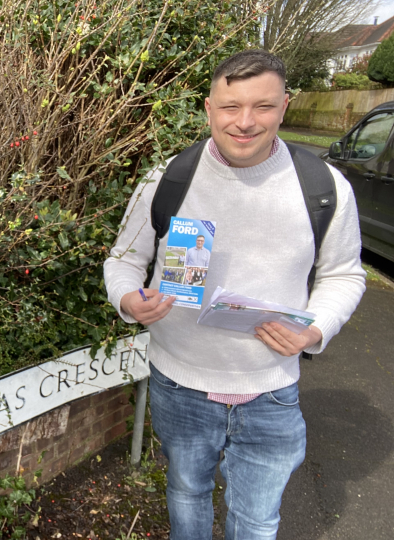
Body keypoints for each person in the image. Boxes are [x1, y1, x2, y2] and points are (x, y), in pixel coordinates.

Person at [103, 50, 365, 540]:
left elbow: (345, 275)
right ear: (208, 108)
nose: (244, 122)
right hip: (180, 384)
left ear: (285, 107)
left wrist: (315, 328)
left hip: (271, 390)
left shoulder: (325, 187)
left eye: (262, 106)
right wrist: (128, 301)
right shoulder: (169, 179)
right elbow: (122, 261)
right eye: (230, 107)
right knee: (186, 494)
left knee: (258, 521)